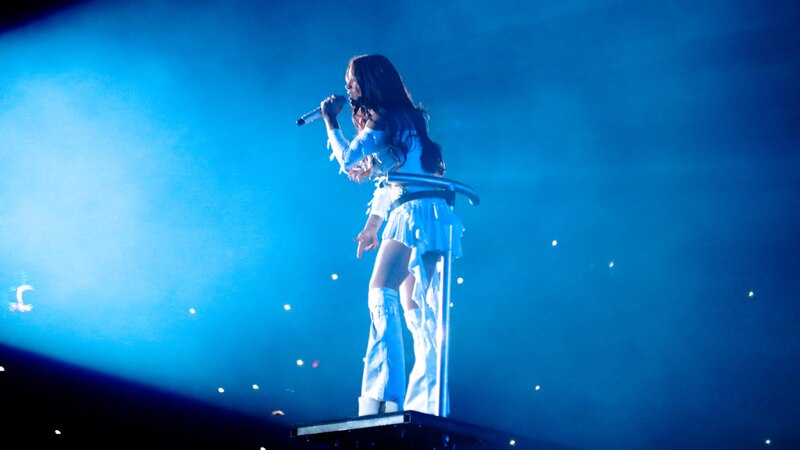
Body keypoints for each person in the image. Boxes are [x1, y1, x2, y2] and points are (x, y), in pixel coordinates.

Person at [320, 54, 464, 417]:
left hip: (415, 213)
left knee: (380, 295)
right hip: (427, 213)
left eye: (353, 80)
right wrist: (372, 225)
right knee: (416, 311)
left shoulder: (385, 120)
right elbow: (394, 179)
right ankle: (426, 405)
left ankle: (383, 397)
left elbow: (349, 158)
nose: (348, 87)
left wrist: (330, 122)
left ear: (370, 82)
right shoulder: (402, 119)